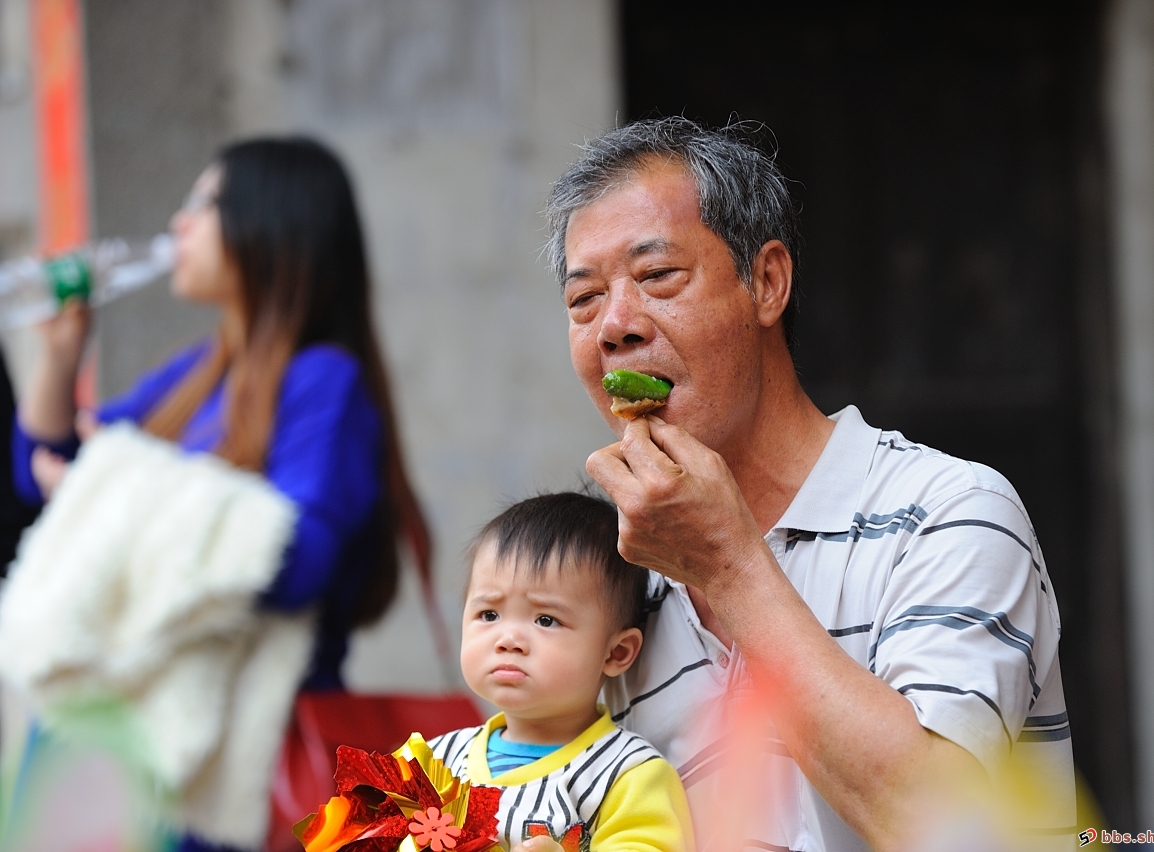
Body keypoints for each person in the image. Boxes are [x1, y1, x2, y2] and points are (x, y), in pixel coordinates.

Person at [545, 117, 1076, 852]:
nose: (616, 326)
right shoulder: (615, 587)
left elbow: (942, 829)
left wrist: (727, 566)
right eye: (584, 301)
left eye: (658, 277)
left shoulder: (952, 514)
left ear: (767, 282)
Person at [10, 137, 431, 851]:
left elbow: (295, 560)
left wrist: (113, 489)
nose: (179, 224)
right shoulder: (204, 369)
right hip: (147, 745)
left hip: (240, 754)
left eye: (203, 204)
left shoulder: (323, 379)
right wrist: (60, 357)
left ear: (271, 226)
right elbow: (47, 472)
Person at [419, 491, 693, 852]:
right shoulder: (428, 764)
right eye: (489, 615)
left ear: (616, 652)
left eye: (546, 620)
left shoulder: (627, 776)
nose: (509, 639)